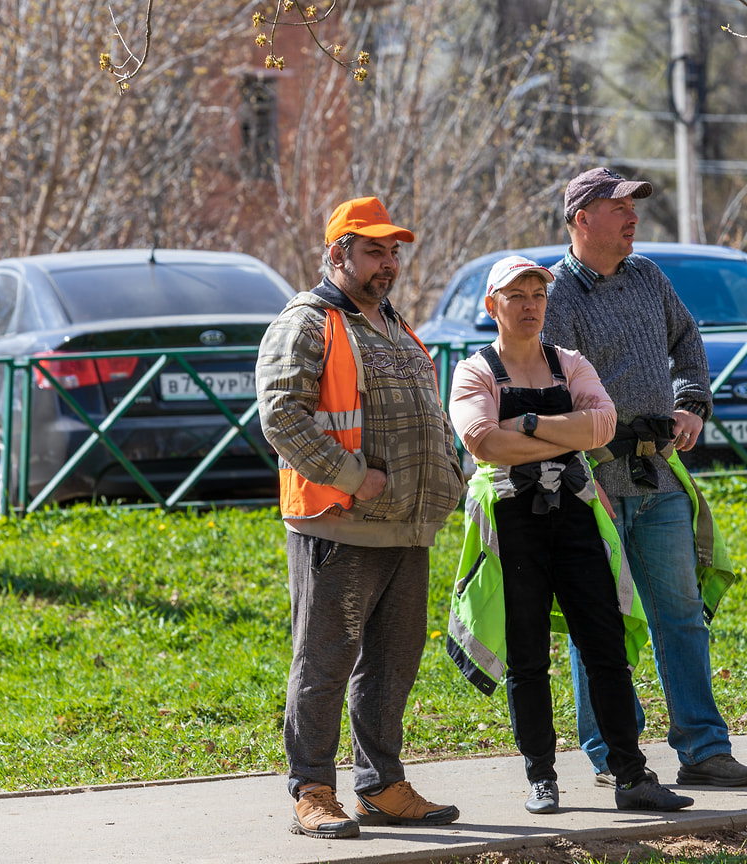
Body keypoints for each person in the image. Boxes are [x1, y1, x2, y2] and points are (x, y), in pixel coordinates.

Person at [445, 255, 694, 815]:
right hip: (513, 521)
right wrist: (565, 435)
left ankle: (631, 775)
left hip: (576, 514)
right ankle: (541, 776)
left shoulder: (569, 362)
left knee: (604, 646)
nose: (531, 305)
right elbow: (481, 441)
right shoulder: (474, 371)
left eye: (538, 295)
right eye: (517, 296)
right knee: (528, 654)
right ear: (493, 306)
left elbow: (602, 426)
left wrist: (526, 425)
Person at [542, 168, 747, 788]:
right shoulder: (556, 295)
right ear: (582, 218)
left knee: (681, 613)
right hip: (595, 480)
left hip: (659, 473)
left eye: (634, 205)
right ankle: (615, 754)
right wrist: (579, 475)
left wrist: (691, 400)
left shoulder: (647, 276)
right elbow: (552, 393)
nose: (633, 216)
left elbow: (687, 338)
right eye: (619, 207)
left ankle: (704, 750)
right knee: (599, 623)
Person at [255, 196, 466, 839]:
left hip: (405, 528)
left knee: (392, 665)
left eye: (393, 250)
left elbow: (424, 415)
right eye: (374, 249)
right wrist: (351, 476)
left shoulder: (394, 324)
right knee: (324, 662)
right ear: (337, 253)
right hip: (338, 527)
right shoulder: (307, 321)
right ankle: (312, 790)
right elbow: (281, 416)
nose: (389, 262)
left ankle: (381, 783)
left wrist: (447, 480)